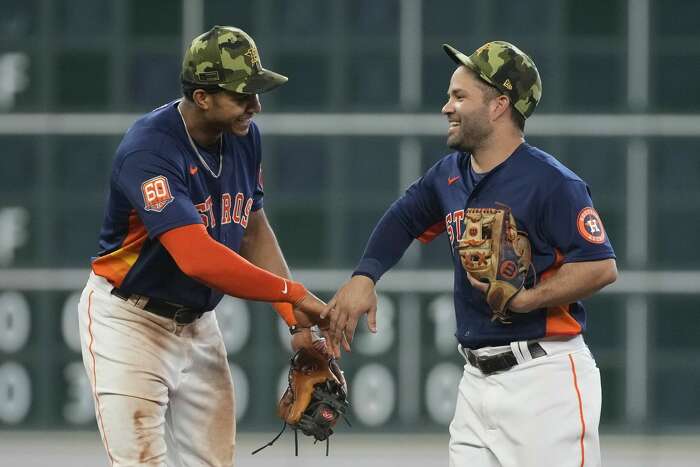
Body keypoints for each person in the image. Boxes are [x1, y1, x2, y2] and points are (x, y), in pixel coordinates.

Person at [322, 41, 617, 467]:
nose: (447, 107)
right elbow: (403, 218)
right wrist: (365, 276)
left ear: (499, 105)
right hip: (475, 382)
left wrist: (527, 299)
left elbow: (601, 266)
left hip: (544, 379)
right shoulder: (448, 175)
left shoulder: (553, 182)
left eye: (460, 97)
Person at [77, 25, 335, 467]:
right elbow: (196, 257)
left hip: (198, 325)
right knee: (141, 462)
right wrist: (293, 295)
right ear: (202, 97)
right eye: (241, 95)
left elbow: (252, 229)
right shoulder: (150, 150)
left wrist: (295, 321)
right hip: (130, 321)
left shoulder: (243, 135)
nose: (254, 105)